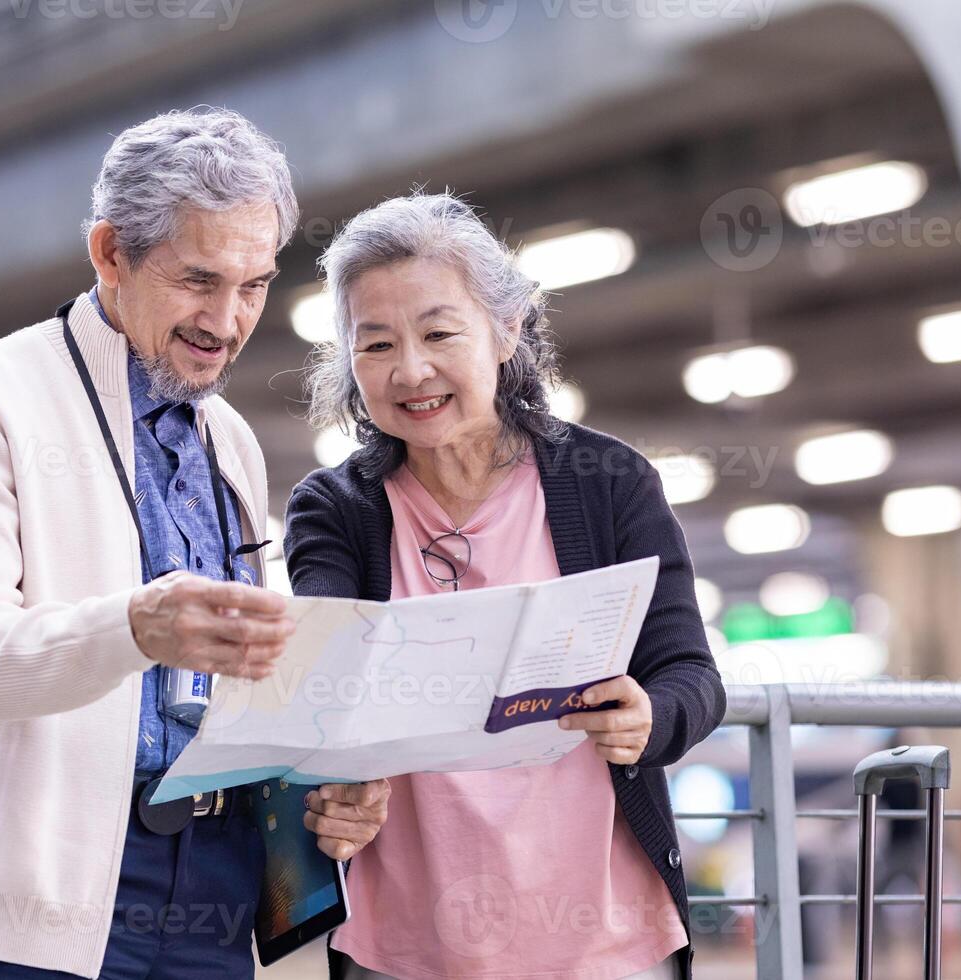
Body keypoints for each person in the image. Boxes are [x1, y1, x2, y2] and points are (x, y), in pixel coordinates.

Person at [0, 107, 388, 979]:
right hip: (38, 895)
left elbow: (241, 681)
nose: (227, 320)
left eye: (254, 285)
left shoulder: (229, 440)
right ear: (110, 254)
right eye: (199, 280)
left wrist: (322, 788)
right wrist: (134, 627)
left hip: (215, 883)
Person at [285, 191, 727, 980]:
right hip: (407, 946)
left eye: (439, 332)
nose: (410, 370)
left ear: (507, 329)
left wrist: (650, 718)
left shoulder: (609, 482)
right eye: (376, 343)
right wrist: (335, 785)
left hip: (605, 941)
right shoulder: (336, 508)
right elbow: (325, 696)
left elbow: (692, 676)